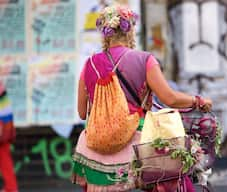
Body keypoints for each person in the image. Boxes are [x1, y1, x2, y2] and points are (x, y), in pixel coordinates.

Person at [71, 4, 212, 192]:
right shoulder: (144, 59)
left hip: (97, 150)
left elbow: (82, 113)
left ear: (105, 33)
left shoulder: (89, 64)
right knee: (174, 179)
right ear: (130, 31)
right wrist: (198, 101)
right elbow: (169, 98)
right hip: (140, 145)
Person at [0, 83, 18, 192]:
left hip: (3, 126)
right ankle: (11, 188)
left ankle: (11, 188)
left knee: (4, 158)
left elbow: (5, 108)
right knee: (5, 159)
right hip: (4, 125)